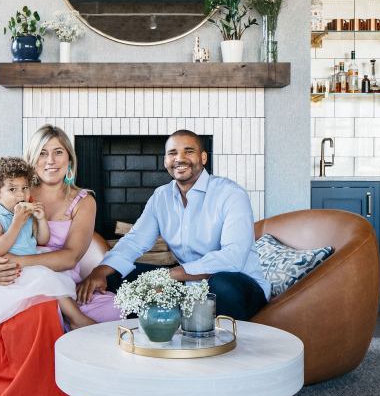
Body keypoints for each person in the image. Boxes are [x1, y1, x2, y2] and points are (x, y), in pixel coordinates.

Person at [0, 125, 118, 396]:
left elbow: (70, 257)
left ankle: (97, 380)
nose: (50, 160)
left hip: (61, 279)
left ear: (70, 158)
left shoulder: (83, 201)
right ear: (32, 158)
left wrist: (22, 261)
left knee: (115, 315)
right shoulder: (16, 193)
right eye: (42, 153)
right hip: (17, 281)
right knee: (41, 318)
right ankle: (47, 394)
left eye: (58, 152)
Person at [77, 129, 270, 320]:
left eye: (189, 151)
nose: (180, 158)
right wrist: (100, 271)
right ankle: (150, 335)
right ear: (165, 161)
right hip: (187, 283)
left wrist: (172, 275)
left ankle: (217, 343)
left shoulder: (231, 194)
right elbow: (135, 241)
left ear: (203, 158)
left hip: (240, 285)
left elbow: (233, 258)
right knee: (117, 276)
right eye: (172, 153)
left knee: (221, 283)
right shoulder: (161, 196)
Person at [0, 156, 94, 330]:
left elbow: (42, 240)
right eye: (12, 189)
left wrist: (41, 220)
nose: (21, 194)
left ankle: (74, 317)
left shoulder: (23, 209)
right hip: (10, 268)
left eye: (25, 188)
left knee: (50, 277)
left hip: (28, 261)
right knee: (46, 277)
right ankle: (76, 318)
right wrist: (16, 223)